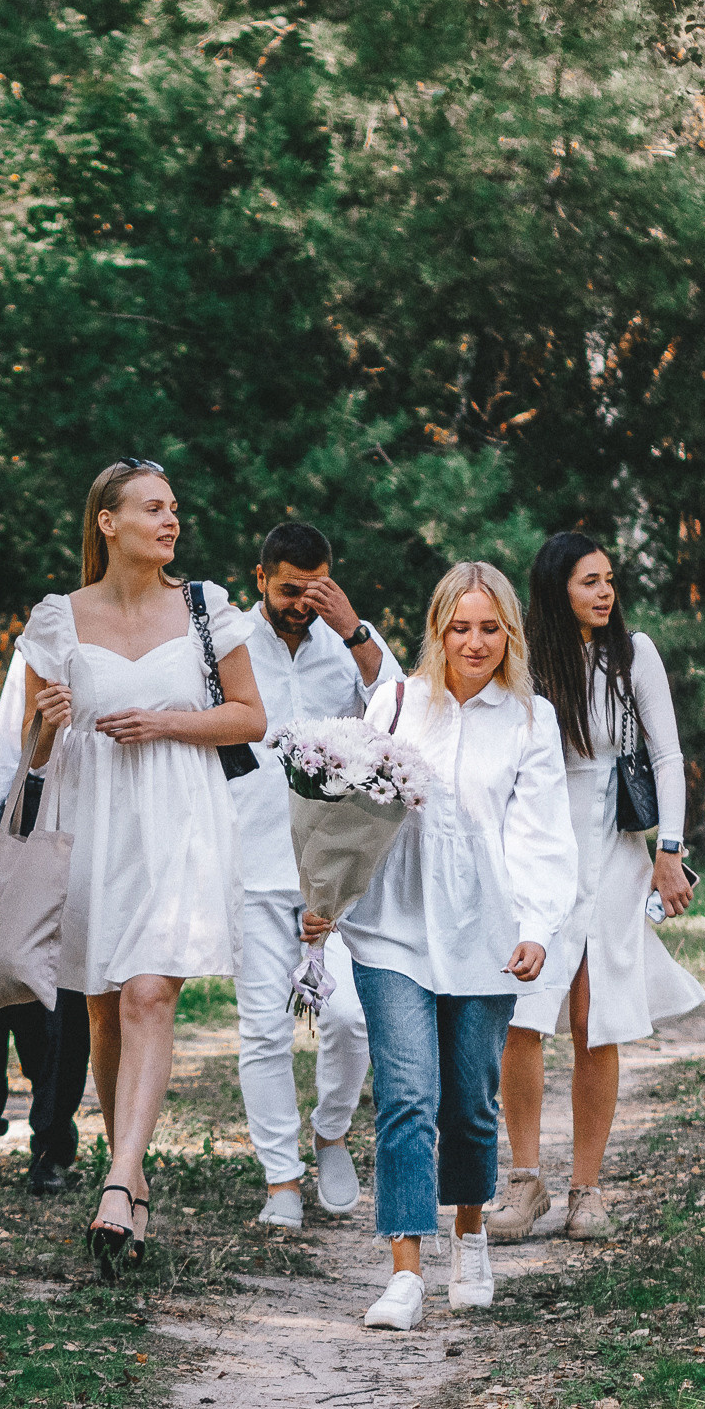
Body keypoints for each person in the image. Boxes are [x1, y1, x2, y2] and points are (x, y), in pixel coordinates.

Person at [309, 561, 575, 1330]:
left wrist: (536, 927)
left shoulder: (531, 720)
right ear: (438, 629)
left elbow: (541, 835)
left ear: (510, 634)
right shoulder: (396, 704)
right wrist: (325, 895)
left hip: (486, 935)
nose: (475, 642)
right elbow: (350, 812)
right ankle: (405, 1272)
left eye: (490, 628)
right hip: (393, 928)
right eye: (460, 627)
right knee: (407, 1096)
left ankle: (469, 1234)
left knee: (469, 1100)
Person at [16, 459, 267, 1275]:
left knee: (148, 994)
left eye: (174, 509)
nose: (171, 521)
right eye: (153, 509)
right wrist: (48, 724)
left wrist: (164, 723)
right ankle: (133, 1180)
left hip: (180, 818)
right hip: (93, 821)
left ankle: (120, 1178)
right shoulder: (57, 620)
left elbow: (250, 719)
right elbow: (31, 751)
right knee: (102, 1009)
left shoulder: (205, 608)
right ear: (108, 522)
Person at [487, 533, 705, 1245]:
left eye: (609, 579)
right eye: (589, 581)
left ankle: (587, 1188)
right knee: (522, 1014)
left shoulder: (633, 654)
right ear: (557, 590)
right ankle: (525, 1182)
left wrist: (669, 851)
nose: (606, 592)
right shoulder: (522, 659)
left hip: (614, 848)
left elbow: (668, 756)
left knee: (595, 1015)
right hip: (538, 845)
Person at [232, 523, 395, 1230]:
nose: (302, 603)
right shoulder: (228, 643)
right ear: (261, 579)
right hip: (252, 866)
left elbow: (399, 708)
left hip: (336, 874)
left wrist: (353, 628)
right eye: (289, 589)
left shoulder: (349, 642)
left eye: (315, 588)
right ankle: (281, 1181)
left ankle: (331, 1133)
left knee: (351, 1020)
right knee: (264, 1030)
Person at [0, 650, 92, 1197]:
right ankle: (39, 1111)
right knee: (19, 969)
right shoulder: (44, 638)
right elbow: (6, 747)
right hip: (36, 812)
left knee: (70, 991)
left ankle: (50, 1137)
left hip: (104, 817)